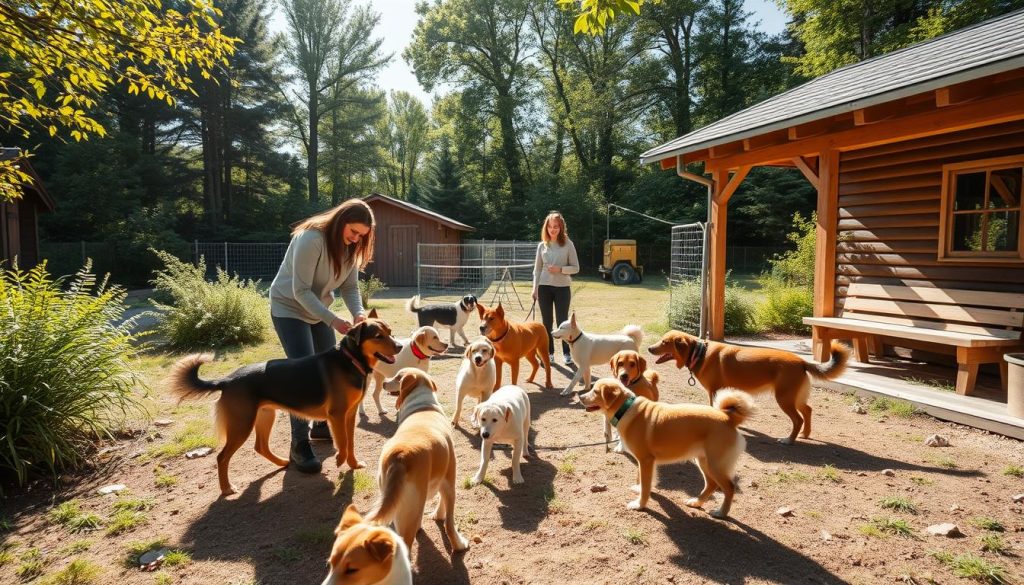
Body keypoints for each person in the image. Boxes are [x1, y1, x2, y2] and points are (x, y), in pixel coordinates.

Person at [269, 199, 375, 474]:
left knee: (333, 369)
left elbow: (350, 287)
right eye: (353, 232)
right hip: (289, 308)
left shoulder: (350, 249)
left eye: (362, 236)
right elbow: (301, 291)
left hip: (318, 312)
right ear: (340, 221)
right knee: (303, 373)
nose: (355, 240)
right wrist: (333, 319)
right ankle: (299, 444)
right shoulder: (311, 239)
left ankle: (321, 426)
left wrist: (359, 314)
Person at [532, 211, 579, 367]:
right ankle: (549, 353)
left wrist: (560, 269)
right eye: (550, 226)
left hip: (562, 288)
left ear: (561, 227)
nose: (553, 229)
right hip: (544, 288)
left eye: (556, 227)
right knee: (546, 322)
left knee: (563, 322)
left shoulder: (568, 244)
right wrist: (535, 288)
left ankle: (566, 353)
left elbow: (576, 268)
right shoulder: (541, 246)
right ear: (546, 227)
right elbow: (537, 270)